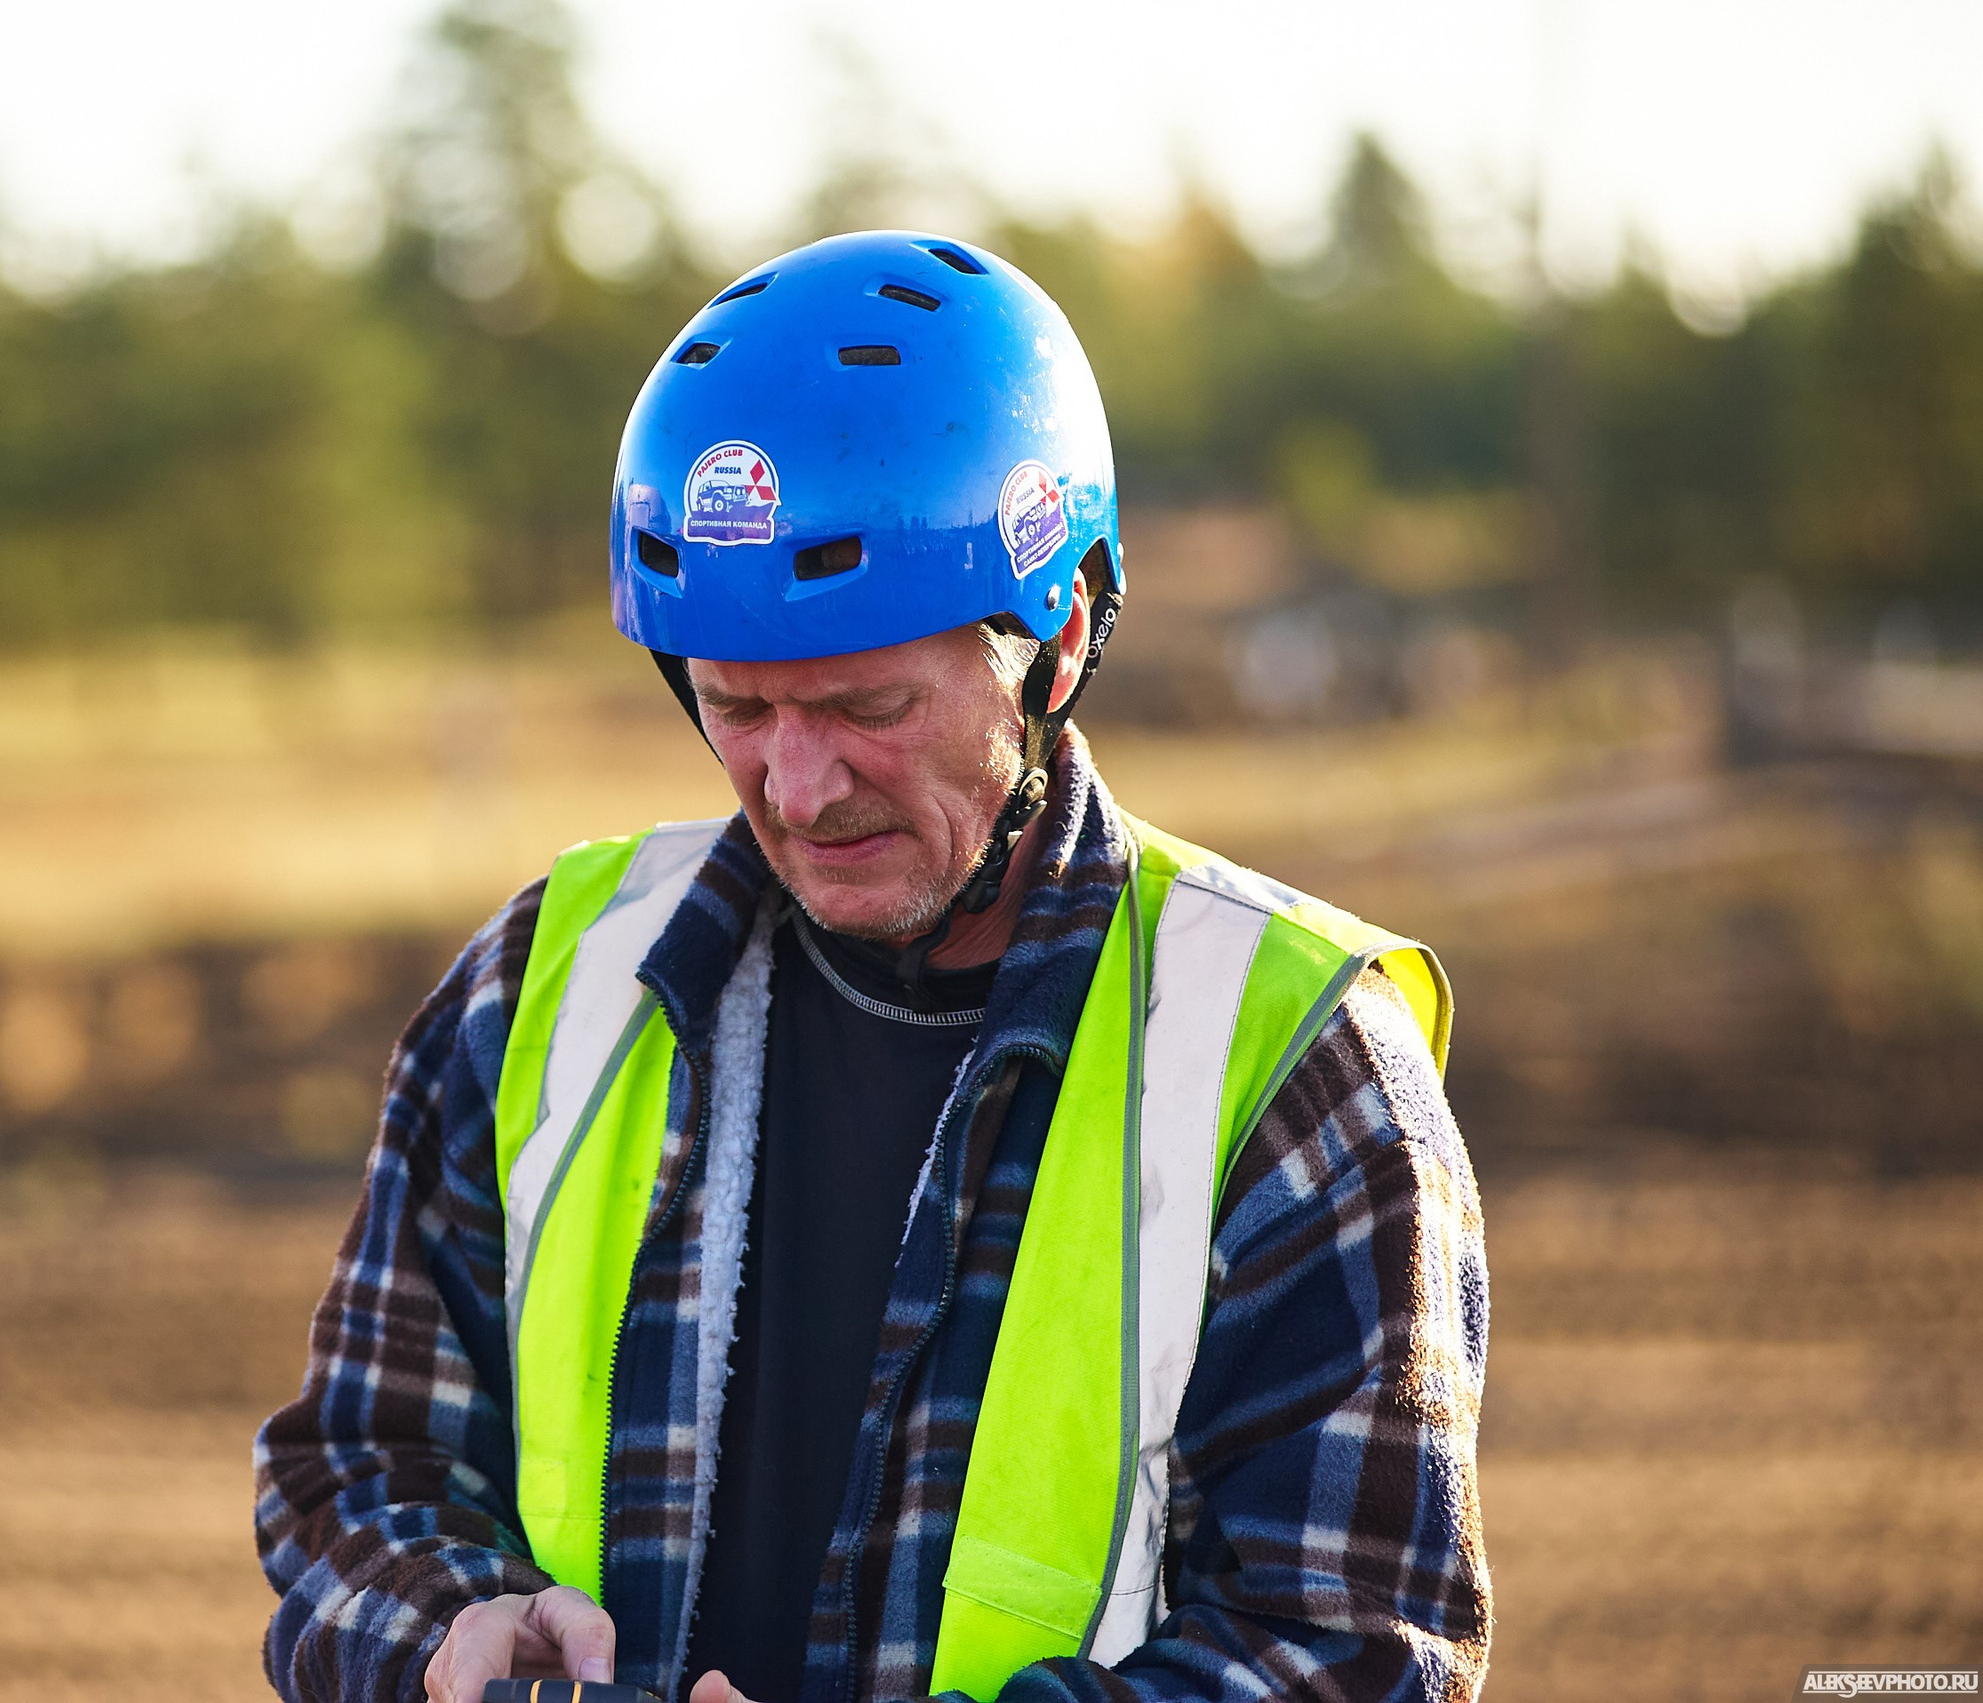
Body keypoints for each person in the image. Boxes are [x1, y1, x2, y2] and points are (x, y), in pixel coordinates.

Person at [253, 230, 1491, 1703]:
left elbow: (1350, 1652)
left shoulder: (1295, 1068)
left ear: (1061, 630)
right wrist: (442, 1631)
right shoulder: (540, 987)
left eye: (868, 704)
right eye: (736, 707)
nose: (797, 785)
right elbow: (353, 1466)